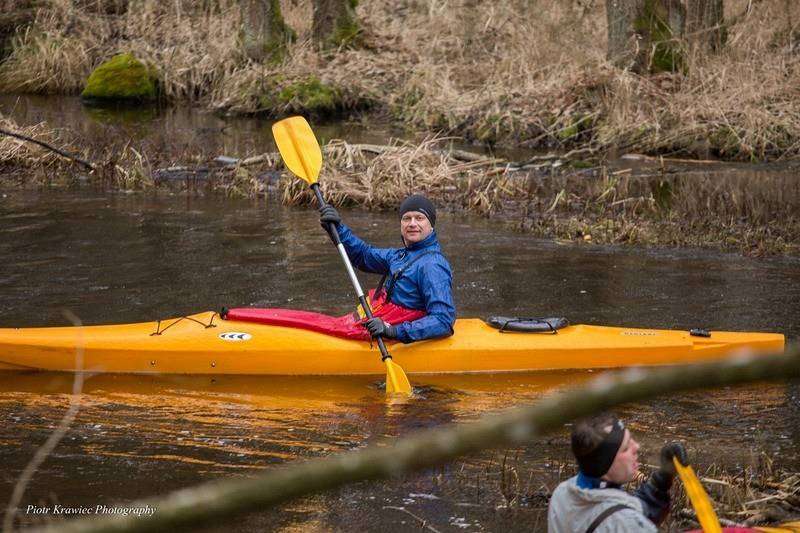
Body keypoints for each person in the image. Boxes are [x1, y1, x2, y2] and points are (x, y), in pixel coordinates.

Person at [318, 194, 456, 344]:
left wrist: (392, 330)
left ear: (431, 225)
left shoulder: (433, 265)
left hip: (396, 329)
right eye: (406, 218)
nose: (412, 223)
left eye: (419, 218)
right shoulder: (400, 255)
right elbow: (364, 256)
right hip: (385, 319)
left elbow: (443, 321)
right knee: (315, 324)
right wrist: (337, 229)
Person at [548, 413, 688, 533]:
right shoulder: (626, 524)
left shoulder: (561, 493)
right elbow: (625, 518)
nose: (636, 447)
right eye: (626, 448)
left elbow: (624, 508)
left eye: (631, 439)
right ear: (606, 464)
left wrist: (663, 477)